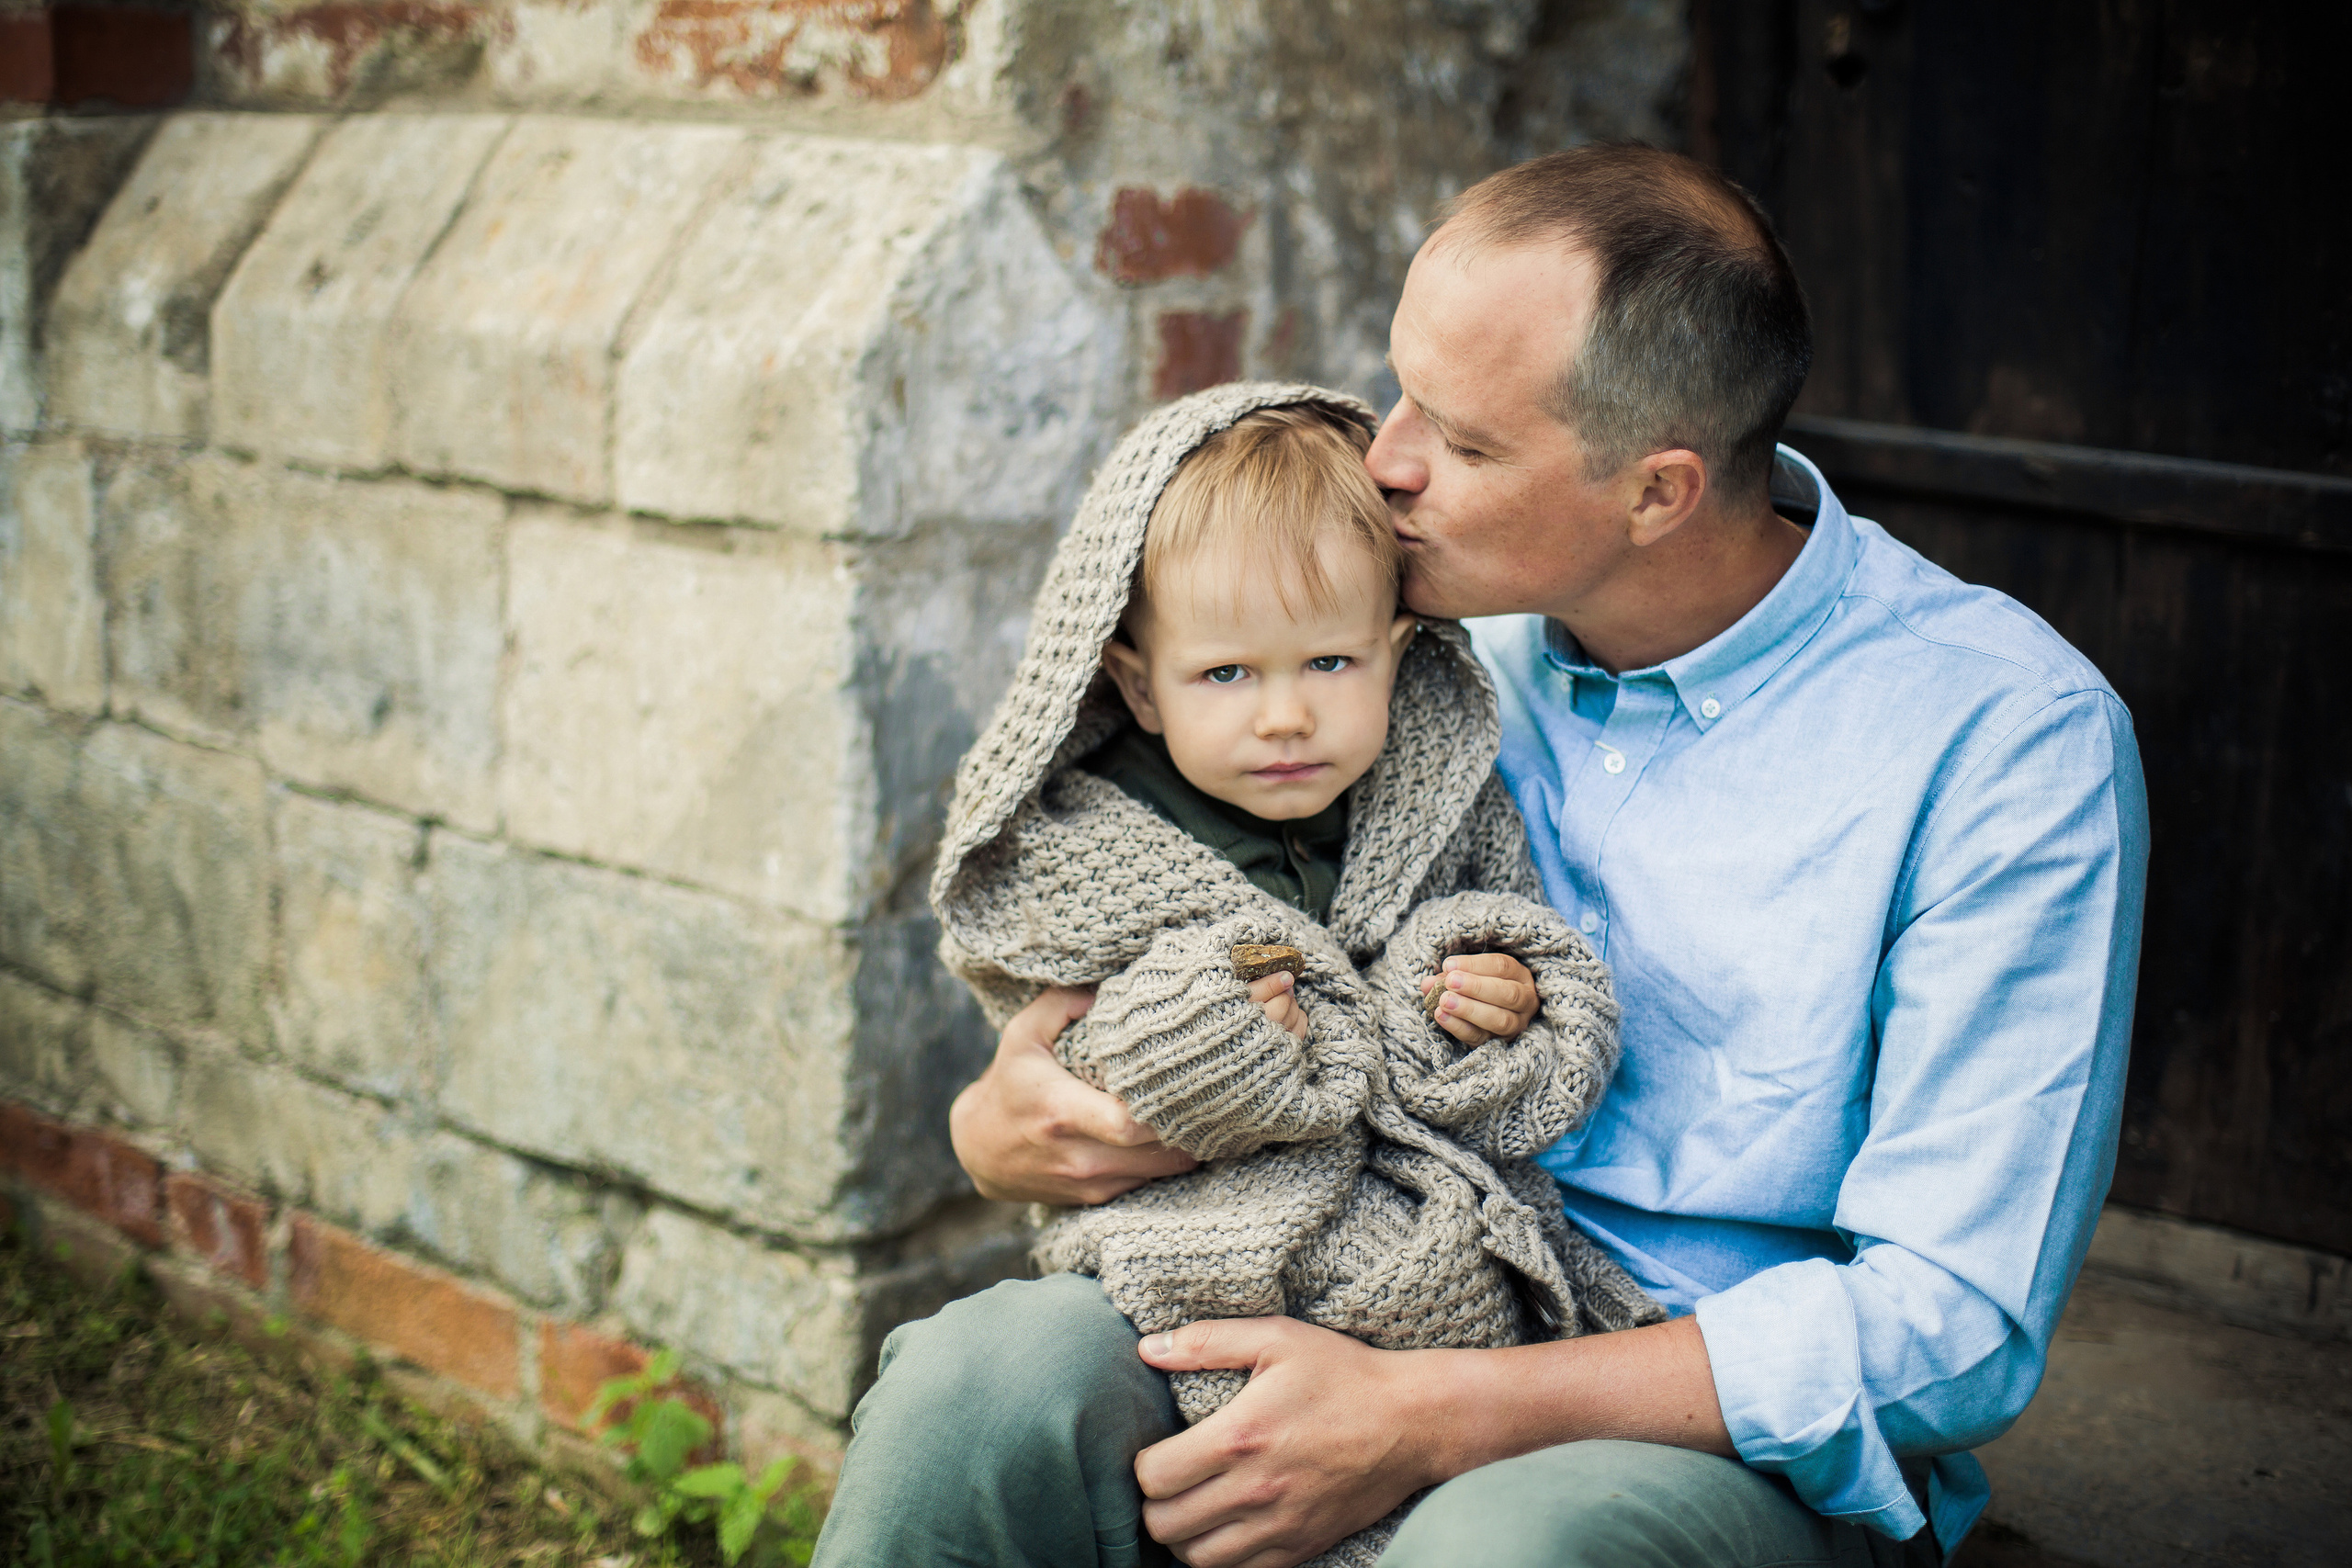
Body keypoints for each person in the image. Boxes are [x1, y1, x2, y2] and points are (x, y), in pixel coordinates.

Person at [823, 143, 2148, 1568]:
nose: (1383, 462)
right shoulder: (1395, 659)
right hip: (1339, 1267)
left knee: (1502, 1550)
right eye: (1401, 392)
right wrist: (1004, 1126)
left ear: (1657, 492)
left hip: (1691, 1419)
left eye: (1461, 444)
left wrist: (1438, 1411)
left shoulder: (2007, 743)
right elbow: (1174, 915)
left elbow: (1954, 1332)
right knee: (980, 1387)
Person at [919, 383, 1666, 1568]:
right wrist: (1200, 1041)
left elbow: (1506, 966)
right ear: (1134, 683)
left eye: (1329, 660)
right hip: (1191, 1239)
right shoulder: (1087, 848)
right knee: (981, 1386)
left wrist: (1489, 1002)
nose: (1284, 716)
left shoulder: (1437, 796)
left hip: (1420, 1233)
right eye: (1227, 675)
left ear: (1396, 652)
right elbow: (1071, 1061)